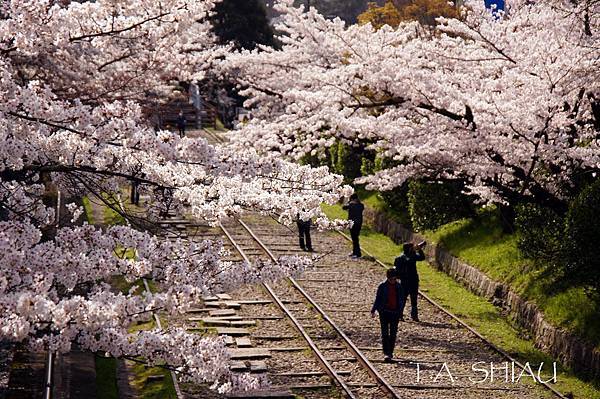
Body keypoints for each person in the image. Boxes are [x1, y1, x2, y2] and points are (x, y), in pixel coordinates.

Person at [371, 268, 404, 362]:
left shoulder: (399, 286)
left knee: (393, 334)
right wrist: (374, 310)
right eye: (391, 279)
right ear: (388, 278)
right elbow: (378, 299)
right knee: (385, 334)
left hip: (395, 313)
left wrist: (400, 311)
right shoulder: (382, 286)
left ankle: (390, 352)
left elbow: (401, 300)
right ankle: (386, 353)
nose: (393, 281)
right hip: (384, 312)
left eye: (394, 279)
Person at [394, 241, 426, 322]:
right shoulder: (412, 257)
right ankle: (414, 316)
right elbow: (422, 257)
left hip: (404, 281)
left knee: (403, 299)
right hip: (413, 281)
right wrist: (419, 250)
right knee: (413, 299)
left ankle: (399, 315)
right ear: (409, 249)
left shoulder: (399, 258)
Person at [342, 193, 364, 258]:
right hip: (359, 223)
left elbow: (343, 207)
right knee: (355, 238)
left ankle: (357, 253)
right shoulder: (361, 205)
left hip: (353, 224)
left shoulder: (351, 205)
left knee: (355, 239)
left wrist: (349, 202)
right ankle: (355, 252)